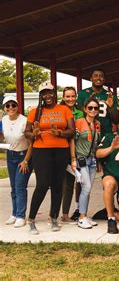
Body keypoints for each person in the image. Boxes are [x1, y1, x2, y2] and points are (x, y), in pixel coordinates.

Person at [24, 82, 75, 234]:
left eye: (50, 92)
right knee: (43, 184)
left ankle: (54, 218)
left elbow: (72, 131)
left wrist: (59, 133)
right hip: (41, 151)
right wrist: (34, 134)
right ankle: (31, 219)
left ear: (55, 93)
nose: (48, 96)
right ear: (41, 96)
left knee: (57, 185)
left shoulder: (64, 109)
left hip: (61, 150)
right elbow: (26, 132)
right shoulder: (35, 112)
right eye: (44, 93)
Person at [2, 96, 32, 228]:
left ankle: (21, 216)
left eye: (13, 105)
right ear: (4, 108)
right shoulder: (3, 120)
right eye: (7, 106)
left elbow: (32, 143)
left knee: (20, 187)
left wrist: (26, 161)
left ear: (17, 106)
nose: (10, 108)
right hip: (10, 155)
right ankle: (14, 214)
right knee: (13, 187)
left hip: (23, 156)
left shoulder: (24, 121)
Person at [72, 97, 101, 229]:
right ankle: (81, 217)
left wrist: (98, 160)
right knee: (86, 187)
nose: (93, 110)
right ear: (85, 109)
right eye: (90, 108)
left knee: (87, 190)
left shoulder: (97, 124)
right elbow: (72, 141)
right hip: (81, 159)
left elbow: (96, 144)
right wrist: (73, 159)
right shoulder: (78, 122)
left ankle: (84, 215)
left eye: (95, 108)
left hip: (93, 160)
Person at [60, 86, 83, 223]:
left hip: (78, 151)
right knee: (64, 184)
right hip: (62, 151)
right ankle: (63, 214)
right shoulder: (58, 111)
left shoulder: (80, 113)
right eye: (67, 96)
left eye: (73, 96)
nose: (70, 99)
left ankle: (79, 211)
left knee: (79, 183)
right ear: (63, 98)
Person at [77, 69, 119, 135]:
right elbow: (79, 115)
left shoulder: (110, 96)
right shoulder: (82, 93)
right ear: (91, 79)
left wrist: (110, 107)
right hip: (87, 133)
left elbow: (116, 120)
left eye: (101, 76)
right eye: (95, 76)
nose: (98, 78)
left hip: (106, 133)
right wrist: (89, 102)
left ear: (104, 79)